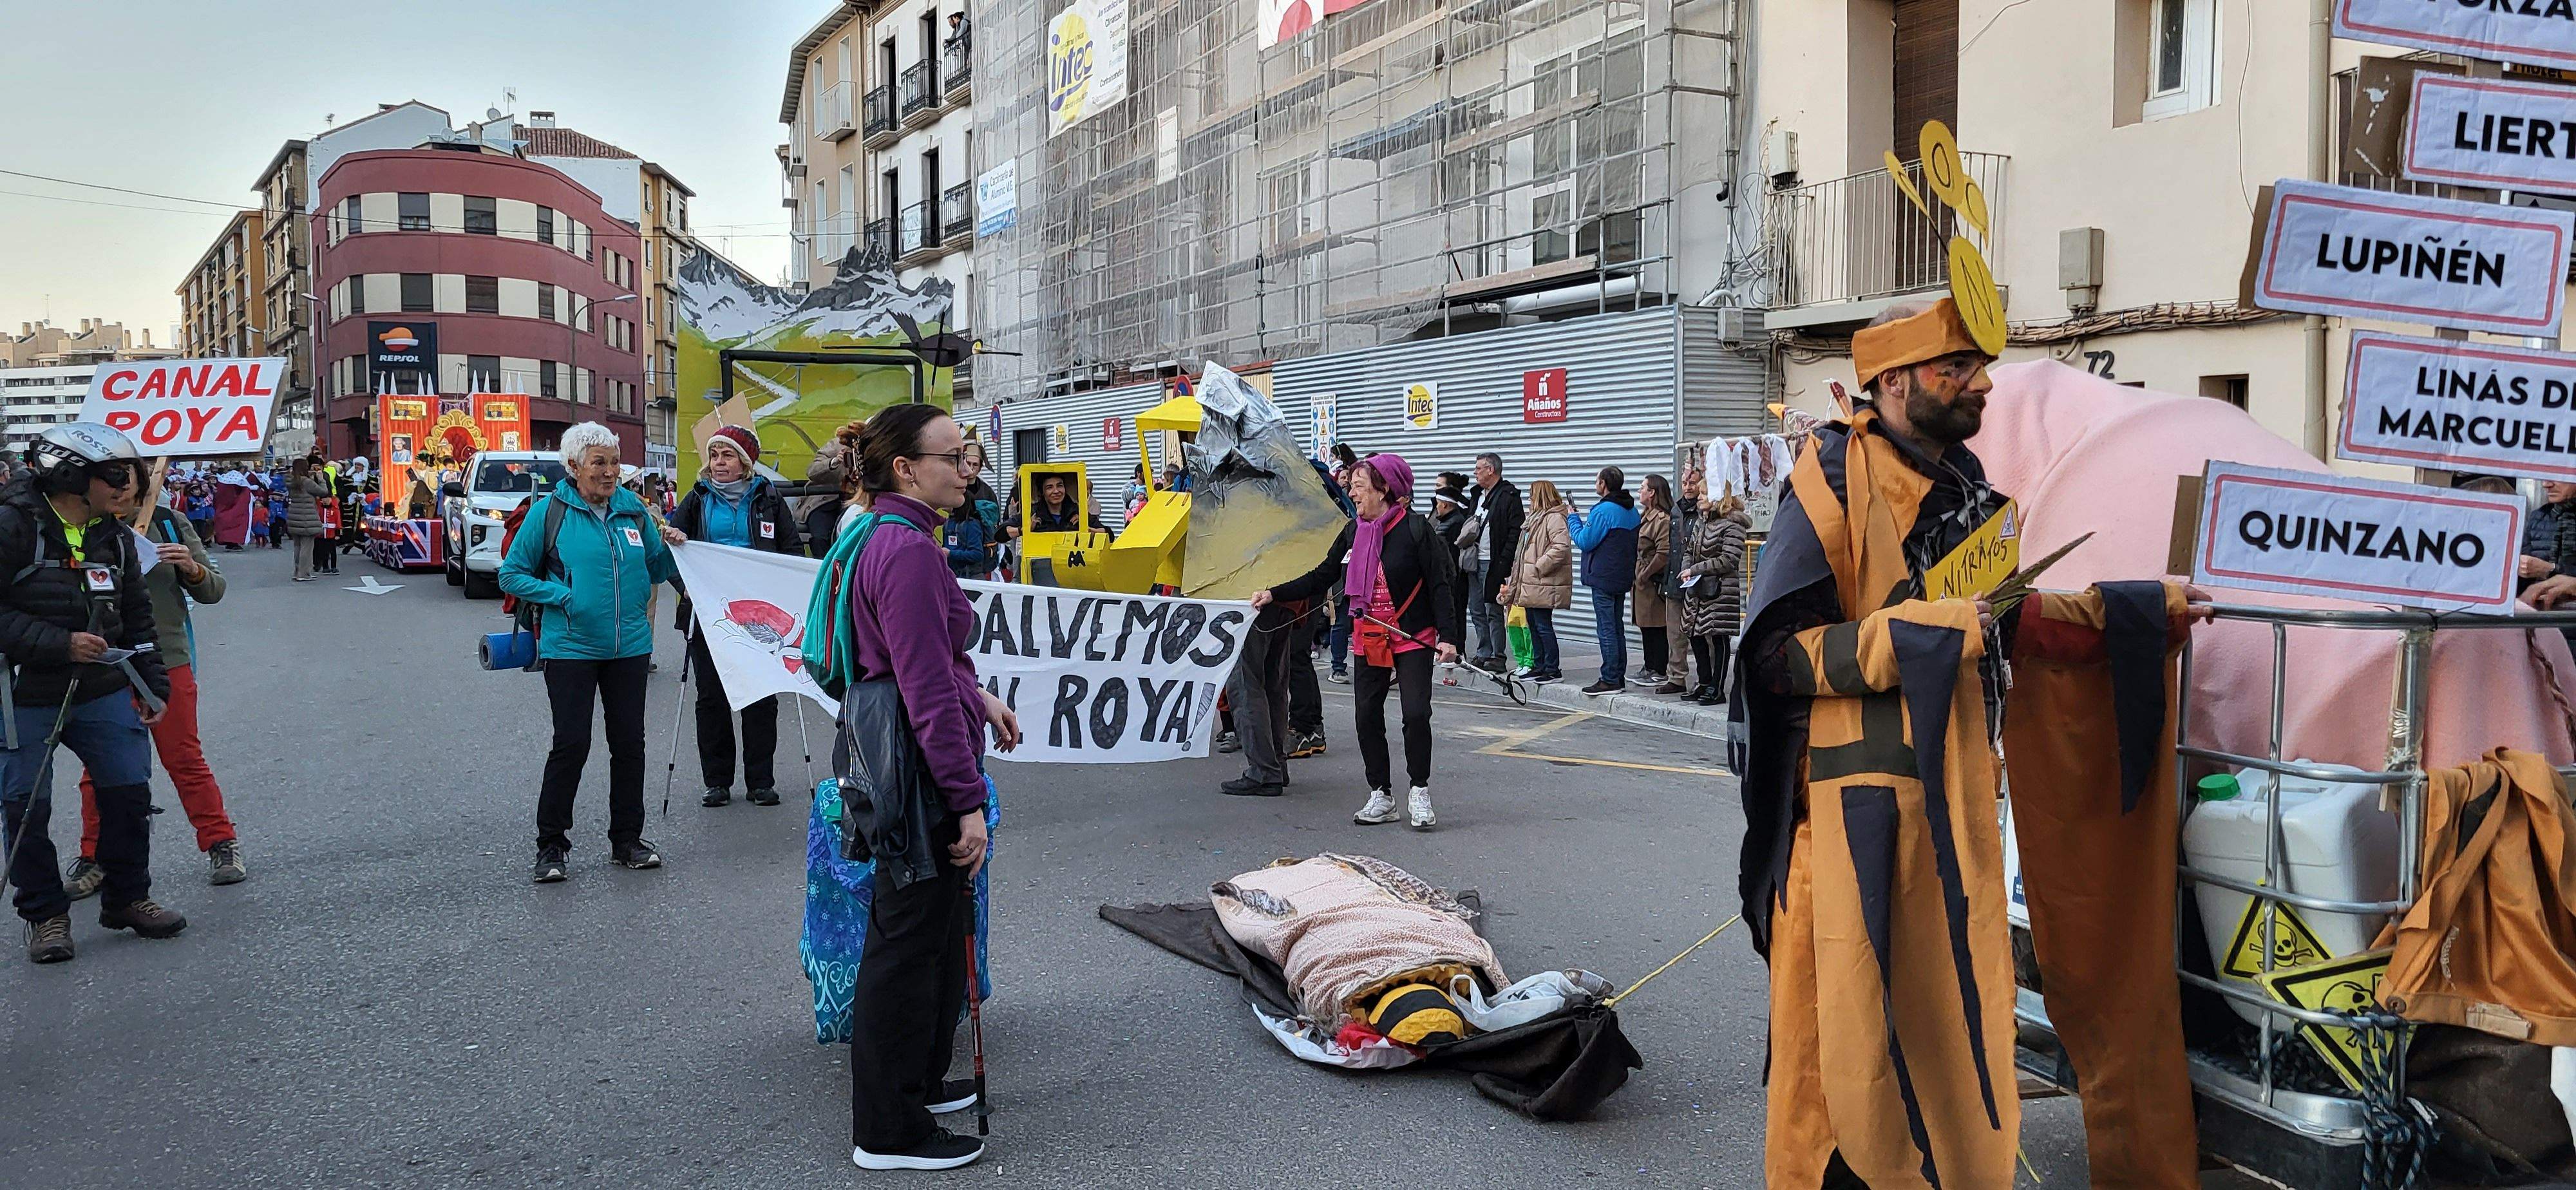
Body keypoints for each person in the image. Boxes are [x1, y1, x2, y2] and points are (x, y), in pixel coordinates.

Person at [1736, 299, 2215, 1188]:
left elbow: (2001, 623)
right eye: (1955, 368)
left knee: (1943, 1043)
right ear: (1893, 381)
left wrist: (2135, 612)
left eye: (1979, 367)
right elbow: (1773, 658)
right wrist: (1908, 638)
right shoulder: (1828, 481)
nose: (1982, 384)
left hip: (1951, 815)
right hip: (1847, 829)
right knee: (1838, 1061)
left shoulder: (1968, 487)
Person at [816, 403, 1021, 1172]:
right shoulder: (904, 550)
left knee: (929, 932)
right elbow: (924, 687)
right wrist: (966, 802)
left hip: (903, 746)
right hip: (914, 761)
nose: (966, 469)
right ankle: (887, 1129)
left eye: (968, 455)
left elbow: (925, 663)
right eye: (952, 456)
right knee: (905, 943)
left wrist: (981, 696)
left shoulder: (890, 534)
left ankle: (920, 1086)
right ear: (905, 469)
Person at [0, 424, 180, 963]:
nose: (129, 487)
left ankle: (128, 898)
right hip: (24, 693)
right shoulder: (12, 526)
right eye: (117, 476)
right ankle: (46, 917)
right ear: (71, 477)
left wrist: (153, 684)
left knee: (129, 794)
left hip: (103, 688)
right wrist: (59, 645)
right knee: (27, 807)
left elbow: (138, 617)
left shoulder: (116, 537)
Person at [500, 422, 682, 883]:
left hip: (630, 646)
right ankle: (552, 845)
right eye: (599, 463)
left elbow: (656, 569)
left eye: (615, 462)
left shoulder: (634, 512)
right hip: (571, 648)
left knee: (629, 745)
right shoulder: (550, 513)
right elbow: (512, 574)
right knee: (571, 743)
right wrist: (563, 597)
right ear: (574, 467)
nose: (609, 472)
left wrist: (672, 548)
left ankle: (627, 840)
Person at [1254, 453, 1459, 829]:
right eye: (1351, 486)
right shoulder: (1353, 532)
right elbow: (1322, 576)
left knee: (1416, 714)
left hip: (1412, 635)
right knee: (1366, 715)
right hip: (1370, 636)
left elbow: (1440, 585)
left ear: (1384, 490)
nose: (1351, 493)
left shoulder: (1415, 529)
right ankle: (1381, 794)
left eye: (1359, 486)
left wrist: (1448, 637)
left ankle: (1419, 790)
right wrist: (1274, 593)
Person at [64, 471, 243, 898]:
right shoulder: (79, 526)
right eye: (109, 477)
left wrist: (191, 569)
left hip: (166, 659)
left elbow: (214, 589)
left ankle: (221, 843)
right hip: (104, 661)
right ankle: (94, 857)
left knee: (184, 758)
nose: (119, 487)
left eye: (127, 477)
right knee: (99, 766)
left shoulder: (168, 521)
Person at [668, 426, 803, 809]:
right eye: (714, 456)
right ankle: (717, 782)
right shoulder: (697, 499)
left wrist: (785, 590)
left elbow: (791, 551)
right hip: (709, 612)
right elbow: (670, 550)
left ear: (745, 463)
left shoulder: (769, 499)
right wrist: (685, 585)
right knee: (711, 696)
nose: (719, 463)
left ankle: (761, 781)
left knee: (761, 694)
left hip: (761, 617)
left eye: (727, 456)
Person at [1567, 467, 1640, 695]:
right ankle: (1618, 676)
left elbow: (1585, 541)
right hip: (1622, 576)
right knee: (1617, 628)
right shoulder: (1632, 510)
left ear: (1604, 484)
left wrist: (1573, 519)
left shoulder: (1603, 511)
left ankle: (1609, 679)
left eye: (1597, 480)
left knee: (1606, 629)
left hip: (1603, 577)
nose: (1596, 483)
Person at [1679, 482, 1750, 706]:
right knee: (1695, 635)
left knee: (1719, 638)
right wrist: (1687, 569)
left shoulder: (1733, 524)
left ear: (1719, 497)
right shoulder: (1703, 521)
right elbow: (1689, 550)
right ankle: (1703, 682)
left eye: (1704, 493)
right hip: (1697, 590)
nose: (1699, 497)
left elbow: (1729, 559)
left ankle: (1716, 688)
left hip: (1720, 591)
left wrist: (1695, 569)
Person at [1502, 480, 1572, 683]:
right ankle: (1539, 666)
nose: (1530, 499)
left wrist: (1539, 566)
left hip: (1542, 582)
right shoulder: (1535, 519)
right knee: (1533, 625)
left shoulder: (1553, 518)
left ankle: (1552, 669)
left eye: (1532, 495)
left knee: (1543, 625)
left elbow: (1561, 547)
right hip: (1531, 583)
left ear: (1540, 496)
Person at [1462, 453, 1524, 674]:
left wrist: (1505, 561)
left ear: (1491, 470)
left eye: (1479, 468)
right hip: (1473, 559)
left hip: (1493, 561)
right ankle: (1483, 652)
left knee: (1493, 608)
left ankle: (1498, 655)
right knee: (1476, 608)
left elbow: (1515, 531)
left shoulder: (1508, 496)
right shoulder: (1477, 495)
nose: (1475, 473)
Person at [1631, 474, 1676, 690]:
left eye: (1643, 488)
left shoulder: (1662, 519)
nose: (1639, 492)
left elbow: (1664, 553)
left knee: (1656, 625)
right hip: (1643, 581)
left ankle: (1658, 669)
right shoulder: (1645, 516)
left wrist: (1645, 574)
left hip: (1653, 581)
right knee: (1645, 625)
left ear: (1652, 493)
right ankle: (1649, 666)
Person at [1431, 474, 1473, 666]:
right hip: (1445, 576)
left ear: (1446, 505)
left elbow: (1453, 553)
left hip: (1455, 577)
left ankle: (1457, 650)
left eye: (1438, 504)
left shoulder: (1456, 522)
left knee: (1456, 613)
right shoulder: (1444, 521)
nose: (1436, 508)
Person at [2521, 480, 2576, 591]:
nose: (2546, 485)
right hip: (2538, 600)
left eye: (2558, 477)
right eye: (2546, 477)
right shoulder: (2538, 517)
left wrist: (2549, 570)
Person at [287, 457, 331, 581]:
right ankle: (304, 573)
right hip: (307, 517)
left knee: (297, 546)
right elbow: (323, 492)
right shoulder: (306, 482)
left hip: (294, 516)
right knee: (307, 547)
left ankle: (297, 572)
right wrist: (321, 480)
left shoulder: (291, 481)